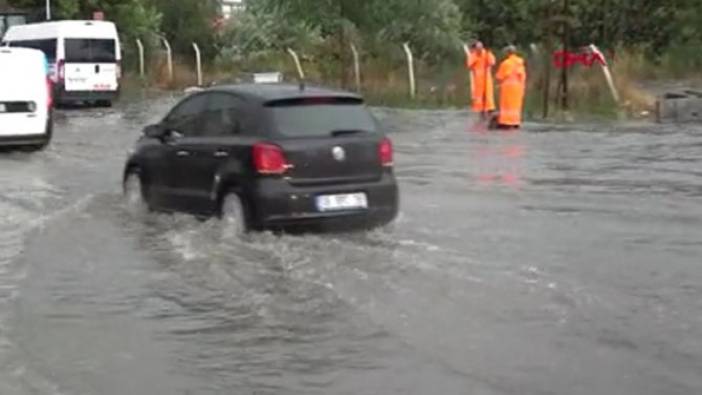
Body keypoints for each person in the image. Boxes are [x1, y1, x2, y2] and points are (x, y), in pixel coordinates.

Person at [495, 45, 527, 129]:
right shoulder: (520, 63)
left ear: (508, 53)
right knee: (516, 106)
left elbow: (499, 76)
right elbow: (523, 77)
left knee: (507, 106)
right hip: (518, 89)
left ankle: (506, 122)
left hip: (507, 89)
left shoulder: (506, 63)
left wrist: (499, 84)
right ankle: (515, 122)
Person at [466, 40, 496, 117]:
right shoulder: (473, 55)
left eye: (480, 48)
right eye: (477, 48)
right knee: (479, 95)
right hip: (478, 78)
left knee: (488, 94)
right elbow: (469, 65)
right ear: (475, 48)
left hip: (486, 77)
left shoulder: (487, 54)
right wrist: (475, 58)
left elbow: (492, 62)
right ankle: (481, 111)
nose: (479, 50)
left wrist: (488, 57)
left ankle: (489, 109)